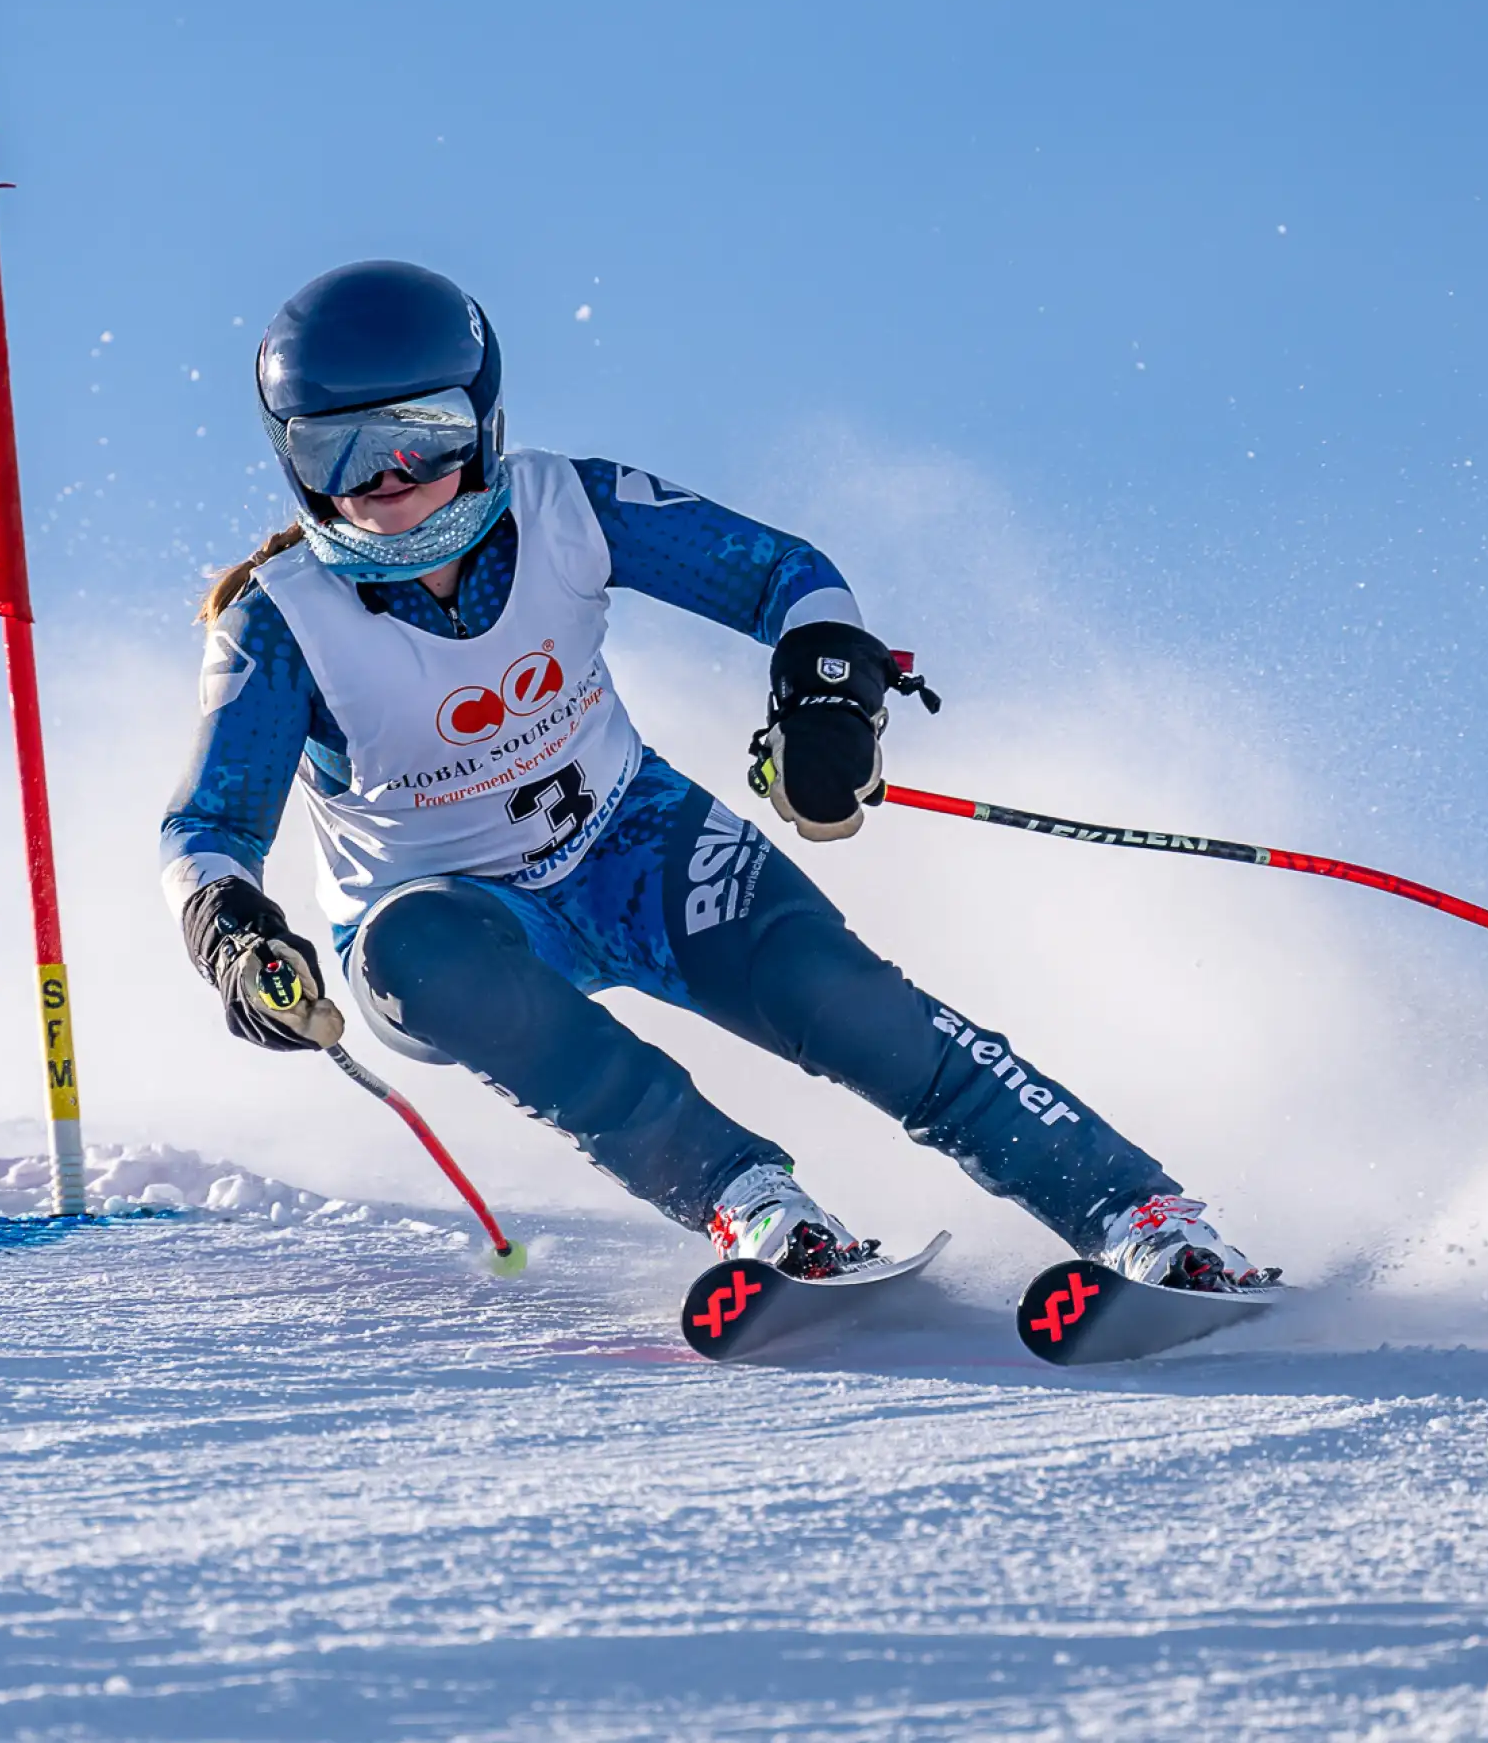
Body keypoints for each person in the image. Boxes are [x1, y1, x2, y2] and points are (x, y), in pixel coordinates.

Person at [160, 260, 1274, 1289]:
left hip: (638, 847)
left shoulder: (572, 508)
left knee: (849, 1009)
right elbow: (208, 826)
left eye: (424, 436)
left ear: (486, 421)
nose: (390, 481)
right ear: (289, 459)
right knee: (423, 955)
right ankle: (750, 1201)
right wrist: (234, 934)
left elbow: (791, 578)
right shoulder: (282, 625)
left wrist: (828, 697)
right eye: (339, 454)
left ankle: (1146, 1219)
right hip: (451, 922)